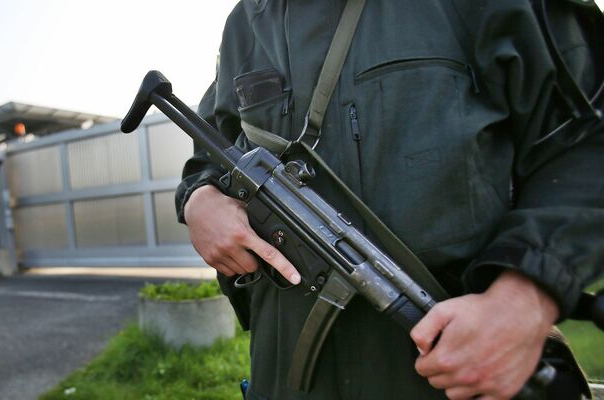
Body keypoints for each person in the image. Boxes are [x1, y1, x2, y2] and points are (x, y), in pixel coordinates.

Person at [175, 0, 603, 399]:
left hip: (453, 369)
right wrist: (200, 198)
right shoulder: (247, 21)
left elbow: (588, 144)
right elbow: (214, 141)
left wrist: (523, 299)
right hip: (285, 369)